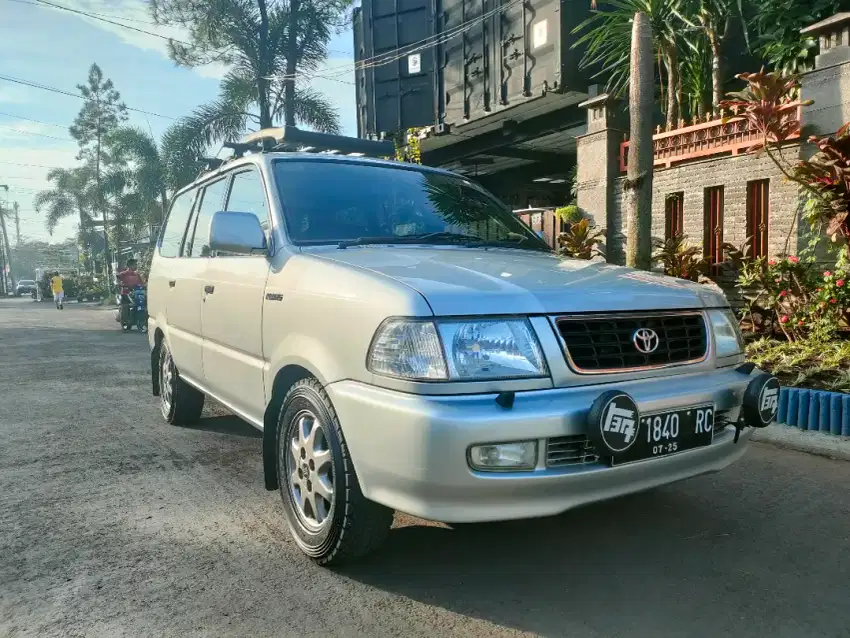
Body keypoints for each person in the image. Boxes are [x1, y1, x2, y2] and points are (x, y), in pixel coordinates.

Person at [116, 259, 146, 325]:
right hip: (126, 293)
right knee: (125, 306)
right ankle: (124, 320)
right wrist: (119, 284)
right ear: (129, 265)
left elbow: (142, 283)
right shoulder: (123, 274)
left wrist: (144, 285)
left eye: (136, 264)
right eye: (134, 264)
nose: (136, 266)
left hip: (137, 293)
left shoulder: (137, 274)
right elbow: (117, 280)